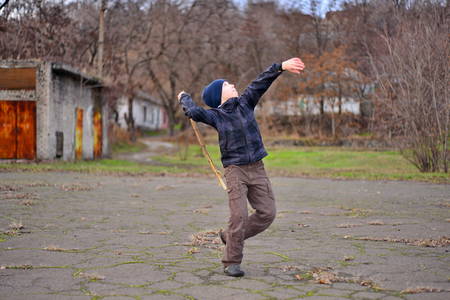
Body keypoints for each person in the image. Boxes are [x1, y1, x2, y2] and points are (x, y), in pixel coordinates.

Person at [178, 57, 305, 277]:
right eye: (227, 85)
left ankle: (229, 236)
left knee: (267, 213)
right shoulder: (216, 115)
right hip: (235, 171)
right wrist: (184, 97)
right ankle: (231, 261)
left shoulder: (246, 102)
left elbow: (260, 82)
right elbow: (193, 112)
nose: (233, 85)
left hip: (257, 168)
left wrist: (280, 67)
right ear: (218, 96)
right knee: (238, 217)